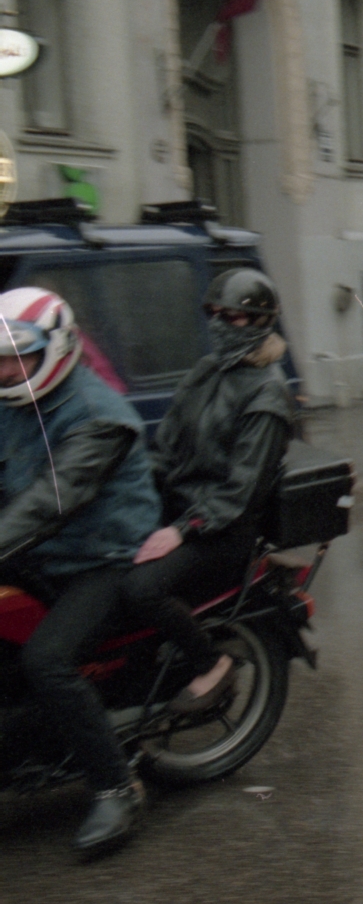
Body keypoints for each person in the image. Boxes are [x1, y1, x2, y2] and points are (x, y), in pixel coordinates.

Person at [0, 288, 161, 853]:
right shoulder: (14, 404)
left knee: (47, 661)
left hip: (102, 557)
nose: (6, 370)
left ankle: (116, 787)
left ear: (59, 346)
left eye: (18, 357)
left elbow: (51, 499)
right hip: (45, 550)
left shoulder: (97, 417)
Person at [119, 269, 296, 722]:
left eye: (233, 316)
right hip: (180, 510)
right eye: (215, 314)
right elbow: (166, 450)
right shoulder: (207, 371)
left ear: (260, 322)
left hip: (221, 532)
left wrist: (182, 530)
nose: (220, 324)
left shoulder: (268, 396)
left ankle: (210, 663)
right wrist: (121, 488)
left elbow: (239, 492)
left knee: (142, 589)